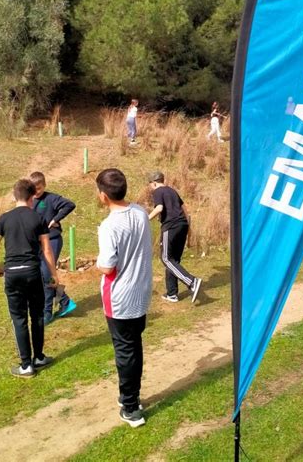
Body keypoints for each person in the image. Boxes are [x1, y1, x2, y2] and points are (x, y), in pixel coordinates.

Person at [96, 168, 152, 428]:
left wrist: (98, 264)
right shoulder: (140, 212)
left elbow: (108, 266)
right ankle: (131, 397)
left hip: (120, 296)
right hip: (140, 291)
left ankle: (131, 407)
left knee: (125, 351)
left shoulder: (109, 226)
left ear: (103, 196)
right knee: (133, 346)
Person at [0, 179, 58, 378]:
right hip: (32, 272)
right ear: (33, 196)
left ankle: (26, 365)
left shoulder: (3, 218)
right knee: (36, 315)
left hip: (12, 273)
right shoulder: (38, 218)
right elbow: (46, 249)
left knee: (19, 318)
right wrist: (54, 274)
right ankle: (39, 357)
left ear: (14, 196)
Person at [29, 171, 77, 324]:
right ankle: (65, 301)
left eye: (39, 188)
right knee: (43, 275)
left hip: (53, 240)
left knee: (47, 273)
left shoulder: (51, 198)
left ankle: (47, 311)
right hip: (37, 243)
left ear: (44, 185)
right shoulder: (29, 200)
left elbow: (70, 204)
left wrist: (56, 219)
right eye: (34, 189)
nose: (37, 192)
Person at [148, 171, 202, 304]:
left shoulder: (157, 191)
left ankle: (192, 282)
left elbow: (160, 208)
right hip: (182, 225)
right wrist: (188, 233)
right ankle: (172, 293)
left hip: (171, 226)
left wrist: (145, 218)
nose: (150, 187)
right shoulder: (172, 191)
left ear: (154, 183)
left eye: (150, 185)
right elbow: (186, 212)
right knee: (174, 260)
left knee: (166, 258)